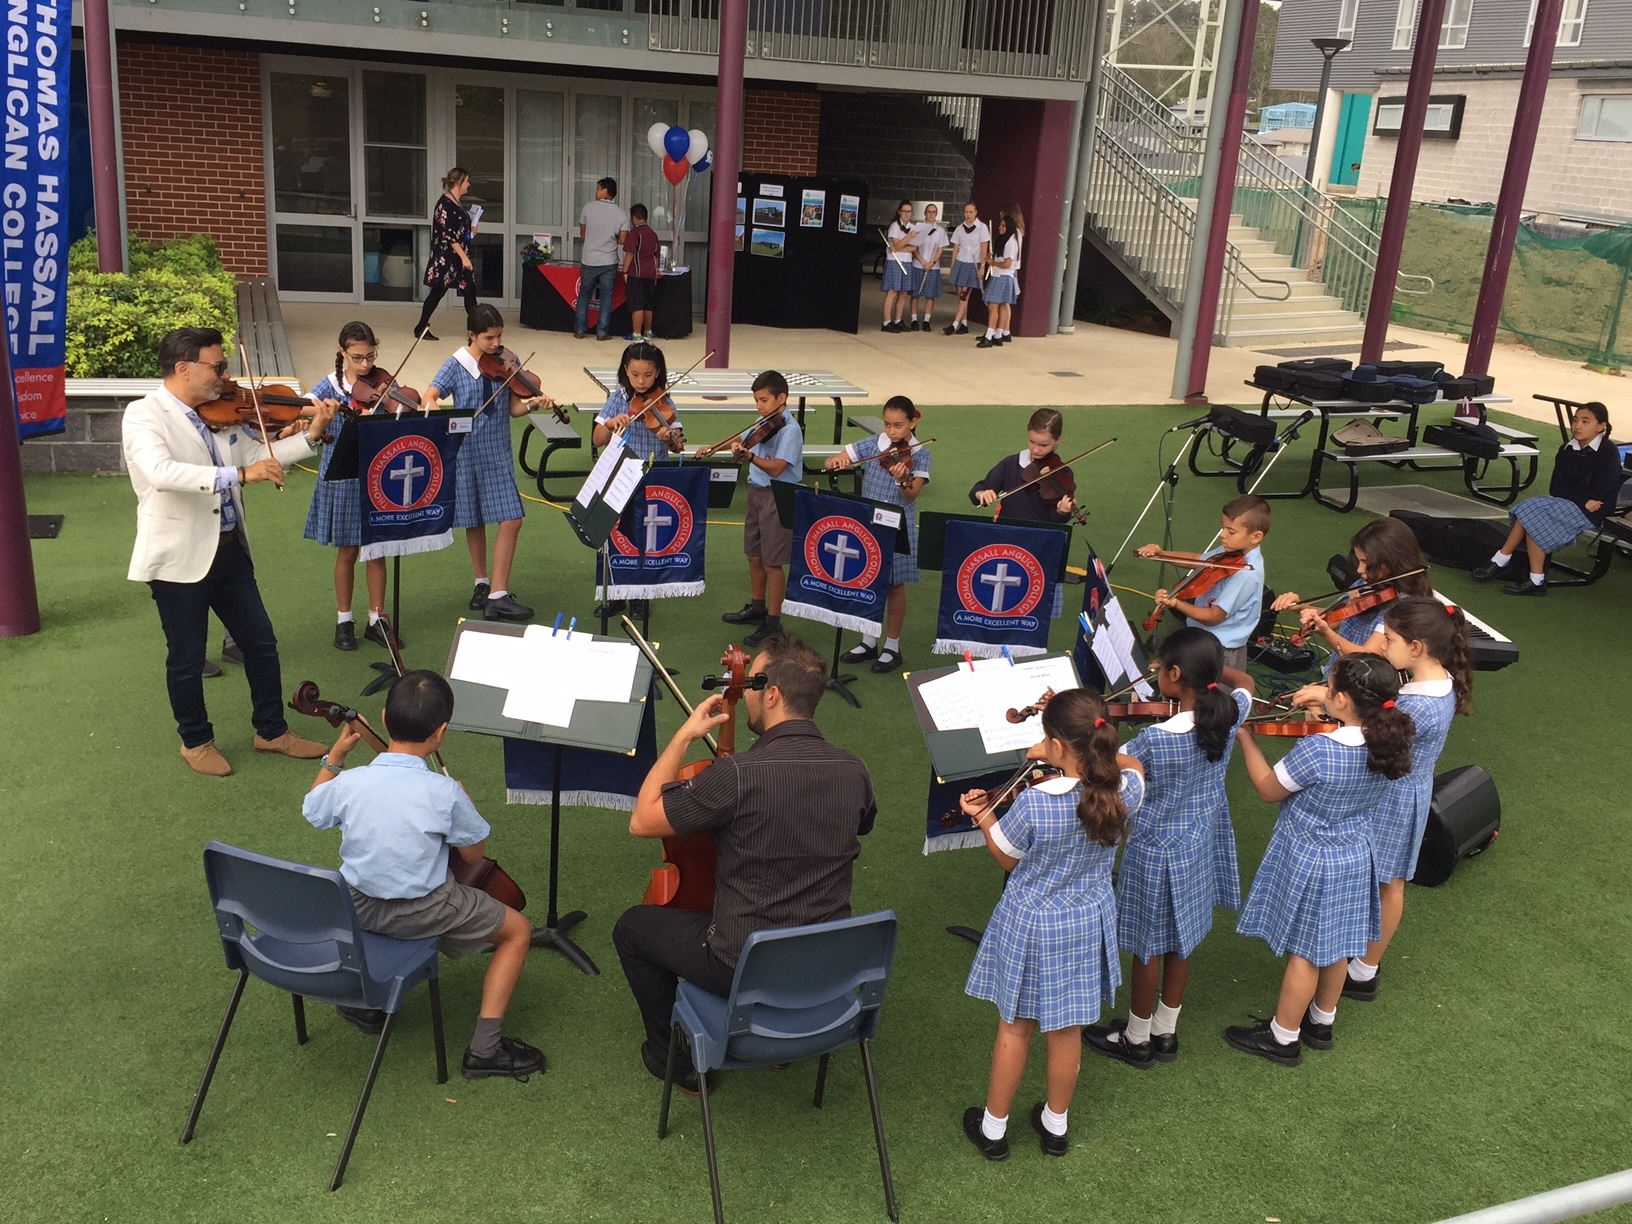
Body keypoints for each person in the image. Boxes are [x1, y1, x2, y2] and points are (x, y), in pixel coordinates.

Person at [613, 634, 876, 1092]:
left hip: (743, 962)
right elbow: (863, 823)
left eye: (753, 683)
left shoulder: (737, 776)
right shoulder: (855, 770)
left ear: (772, 694)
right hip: (826, 963)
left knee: (633, 929)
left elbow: (642, 820)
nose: (748, 693)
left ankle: (673, 1060)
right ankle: (790, 1038)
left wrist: (685, 735)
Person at [303, 670, 545, 1080]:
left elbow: (313, 808)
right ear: (442, 732)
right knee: (518, 930)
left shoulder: (352, 783)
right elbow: (473, 854)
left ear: (383, 717)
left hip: (355, 906)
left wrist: (336, 759)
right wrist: (462, 800)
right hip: (424, 911)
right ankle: (485, 1050)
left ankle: (367, 1005)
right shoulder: (443, 792)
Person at [122, 326, 337, 776]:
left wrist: (314, 433)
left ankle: (272, 732)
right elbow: (161, 472)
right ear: (184, 368)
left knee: (261, 644)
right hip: (179, 557)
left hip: (229, 549)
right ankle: (195, 741)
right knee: (186, 657)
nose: (226, 375)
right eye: (218, 367)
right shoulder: (144, 415)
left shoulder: (219, 414)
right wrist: (237, 477)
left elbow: (263, 451)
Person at [959, 688, 1145, 1160]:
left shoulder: (1037, 802)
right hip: (1086, 918)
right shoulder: (1125, 788)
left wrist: (983, 815)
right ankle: (1054, 1125)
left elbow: (1006, 856)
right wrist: (1068, 741)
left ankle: (994, 1129)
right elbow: (1131, 766)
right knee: (1066, 1030)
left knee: (1015, 1027)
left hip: (1033, 920)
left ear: (1058, 747)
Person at [1226, 655, 1415, 1066]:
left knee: (1305, 952)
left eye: (1330, 691)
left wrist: (1247, 739)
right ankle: (1321, 1020)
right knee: (1340, 942)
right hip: (1356, 852)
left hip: (1312, 855)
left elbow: (1268, 789)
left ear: (1344, 700)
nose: (1325, 695)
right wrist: (1324, 712)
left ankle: (1283, 1035)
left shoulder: (1318, 750)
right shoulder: (1389, 739)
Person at [1084, 629, 1254, 1068]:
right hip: (1201, 843)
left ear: (1176, 675)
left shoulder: (1156, 741)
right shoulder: (1232, 711)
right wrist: (1215, 671)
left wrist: (1098, 728)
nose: (1156, 673)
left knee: (1147, 946)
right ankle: (1166, 1029)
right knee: (1183, 939)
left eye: (1161, 668)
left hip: (1155, 851)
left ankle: (1137, 1037)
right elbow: (1248, 685)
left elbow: (1106, 766)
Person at [1340, 596, 1472, 1001]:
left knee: (1388, 884)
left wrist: (1339, 717)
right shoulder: (1437, 680)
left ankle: (1362, 970)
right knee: (1388, 881)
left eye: (1391, 639)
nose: (1382, 646)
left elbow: (1376, 742)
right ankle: (1362, 964)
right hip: (1408, 793)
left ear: (1416, 648)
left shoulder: (1418, 704)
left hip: (1394, 799)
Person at [424, 304, 556, 622]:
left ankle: (497, 594)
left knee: (511, 520)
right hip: (466, 452)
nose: (496, 345)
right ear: (473, 335)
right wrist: (444, 416)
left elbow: (513, 409)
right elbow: (428, 397)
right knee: (475, 519)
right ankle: (482, 584)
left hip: (497, 451)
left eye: (499, 336)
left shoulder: (507, 361)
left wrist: (533, 403)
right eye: (489, 338)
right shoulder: (455, 365)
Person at [302, 320, 395, 652]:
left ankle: (377, 619)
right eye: (358, 358)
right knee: (347, 549)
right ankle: (344, 619)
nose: (366, 365)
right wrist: (320, 411)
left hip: (376, 471)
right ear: (343, 353)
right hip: (342, 473)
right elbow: (304, 404)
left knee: (378, 549)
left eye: (370, 356)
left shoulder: (382, 381)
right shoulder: (331, 385)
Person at [823, 396, 931, 673]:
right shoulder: (874, 444)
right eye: (887, 425)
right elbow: (838, 457)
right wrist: (836, 462)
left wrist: (901, 478)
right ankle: (868, 640)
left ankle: (892, 647)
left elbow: (911, 494)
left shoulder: (919, 453)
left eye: (898, 425)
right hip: (869, 522)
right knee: (867, 580)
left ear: (912, 422)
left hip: (897, 523)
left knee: (894, 585)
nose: (892, 431)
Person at [1472, 401, 1623, 596]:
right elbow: (1556, 488)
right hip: (1574, 503)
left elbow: (1601, 492)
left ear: (1601, 426)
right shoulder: (1566, 449)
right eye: (1575, 420)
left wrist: (1582, 497)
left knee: (1532, 514)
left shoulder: (1608, 452)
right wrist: (1582, 497)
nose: (1578, 426)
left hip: (1596, 510)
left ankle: (1502, 561)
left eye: (1586, 421)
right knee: (1530, 509)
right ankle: (1533, 579)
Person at [1270, 517, 1432, 676]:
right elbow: (1336, 617)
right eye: (1359, 561)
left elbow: (1366, 656)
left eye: (1367, 562)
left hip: (1358, 686)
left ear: (1392, 560)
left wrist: (1325, 632)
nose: (1360, 570)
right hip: (1337, 674)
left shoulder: (1403, 606)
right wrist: (1300, 607)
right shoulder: (1370, 583)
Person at [1137, 494, 1271, 672]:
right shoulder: (1229, 550)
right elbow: (1197, 560)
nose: (1222, 535)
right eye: (1222, 528)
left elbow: (1214, 617)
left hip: (1219, 649)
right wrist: (1162, 554)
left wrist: (1177, 603)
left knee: (1209, 694)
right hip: (1202, 638)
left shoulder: (1246, 573)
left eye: (1231, 532)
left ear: (1255, 537)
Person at [720, 370, 804, 648]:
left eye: (764, 400)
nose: (760, 406)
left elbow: (779, 468)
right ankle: (757, 607)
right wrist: (734, 447)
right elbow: (743, 442)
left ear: (782, 398)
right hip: (757, 492)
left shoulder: (790, 429)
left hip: (777, 496)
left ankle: (773, 620)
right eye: (757, 400)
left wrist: (750, 456)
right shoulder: (762, 422)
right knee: (754, 555)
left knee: (772, 561)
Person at [968, 408, 1079, 524]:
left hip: (1040, 534)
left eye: (1044, 445)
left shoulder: (1062, 473)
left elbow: (1059, 519)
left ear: (1058, 440)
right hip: (1007, 530)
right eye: (1031, 441)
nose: (1036, 450)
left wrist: (1061, 511)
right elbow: (977, 491)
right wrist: (981, 494)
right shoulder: (1011, 464)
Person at [415, 168, 479, 342]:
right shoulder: (445, 205)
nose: (468, 184)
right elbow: (448, 236)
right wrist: (464, 257)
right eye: (466, 181)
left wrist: (471, 232)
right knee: (437, 292)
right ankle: (420, 327)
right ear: (458, 183)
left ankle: (477, 332)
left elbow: (458, 232)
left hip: (459, 255)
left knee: (469, 292)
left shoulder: (457, 204)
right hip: (448, 257)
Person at [593, 341, 684, 461]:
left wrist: (668, 439)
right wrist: (609, 424)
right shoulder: (618, 398)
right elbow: (597, 441)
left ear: (657, 372)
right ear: (626, 370)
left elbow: (677, 447)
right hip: (623, 466)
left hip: (655, 466)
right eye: (635, 374)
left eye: (648, 375)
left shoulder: (664, 401)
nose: (641, 381)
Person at [576, 177, 628, 341]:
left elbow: (583, 234)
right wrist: (612, 238)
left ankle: (579, 330)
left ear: (605, 190)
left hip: (589, 259)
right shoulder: (621, 214)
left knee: (584, 294)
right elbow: (623, 240)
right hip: (608, 261)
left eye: (598, 188)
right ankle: (602, 333)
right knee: (606, 297)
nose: (596, 191)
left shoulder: (588, 208)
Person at [977, 203, 1024, 349]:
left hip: (1002, 276)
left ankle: (989, 336)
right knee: (1002, 305)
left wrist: (992, 263)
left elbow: (1007, 263)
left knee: (993, 306)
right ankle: (997, 334)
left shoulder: (1011, 241)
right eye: (1000, 225)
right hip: (1004, 276)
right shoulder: (1008, 240)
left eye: (1003, 226)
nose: (1000, 228)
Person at [944, 202, 990, 337]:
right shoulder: (959, 229)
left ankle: (954, 324)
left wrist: (982, 266)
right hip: (960, 262)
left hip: (973, 264)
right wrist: (952, 266)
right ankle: (964, 324)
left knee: (965, 295)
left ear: (976, 213)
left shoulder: (982, 228)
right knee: (961, 296)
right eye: (966, 212)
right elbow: (956, 248)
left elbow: (984, 249)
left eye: (970, 212)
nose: (968, 215)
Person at [621, 203, 661, 342]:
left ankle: (637, 335)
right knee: (648, 304)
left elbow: (630, 254)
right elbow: (656, 256)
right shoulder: (653, 234)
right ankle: (648, 332)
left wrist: (624, 271)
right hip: (651, 273)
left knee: (637, 304)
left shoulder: (635, 233)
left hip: (636, 273)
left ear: (635, 217)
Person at [908, 204, 948, 333]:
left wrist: (932, 262)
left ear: (936, 214)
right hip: (918, 265)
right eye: (929, 212)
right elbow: (914, 247)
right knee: (915, 294)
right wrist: (922, 261)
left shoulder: (940, 231)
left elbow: (940, 249)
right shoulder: (917, 228)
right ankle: (914, 320)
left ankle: (926, 321)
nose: (931, 214)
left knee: (930, 295)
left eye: (934, 212)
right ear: (925, 213)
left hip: (932, 267)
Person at [880, 200, 916, 333]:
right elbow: (896, 246)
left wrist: (900, 247)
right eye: (904, 211)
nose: (906, 214)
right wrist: (907, 239)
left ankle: (898, 320)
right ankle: (886, 322)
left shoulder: (913, 227)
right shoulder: (894, 226)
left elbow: (913, 248)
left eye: (909, 211)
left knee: (903, 292)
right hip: (894, 261)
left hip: (907, 261)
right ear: (899, 212)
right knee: (893, 291)